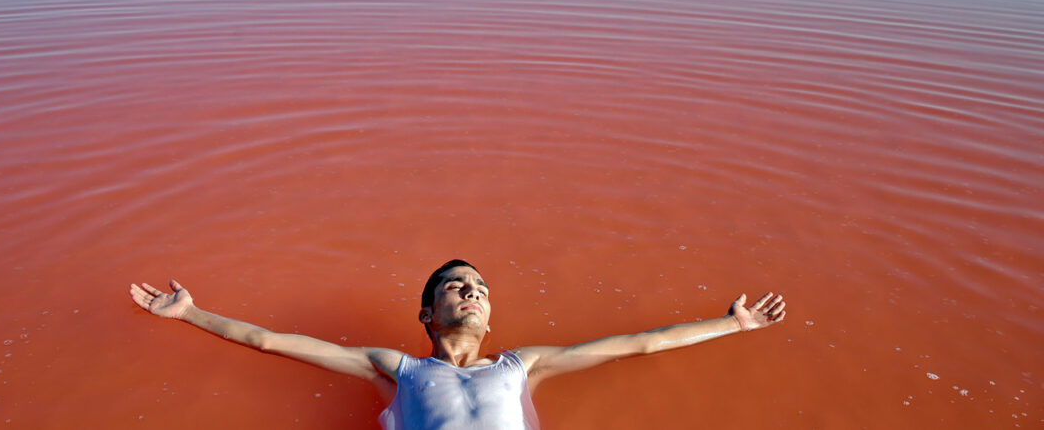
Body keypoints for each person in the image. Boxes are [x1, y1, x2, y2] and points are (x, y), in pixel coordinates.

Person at [129, 259, 786, 429]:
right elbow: (272, 341)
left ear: (491, 316)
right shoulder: (394, 368)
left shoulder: (521, 363)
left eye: (479, 287)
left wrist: (735, 323)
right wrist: (190, 313)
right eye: (454, 285)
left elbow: (638, 345)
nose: (470, 291)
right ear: (426, 311)